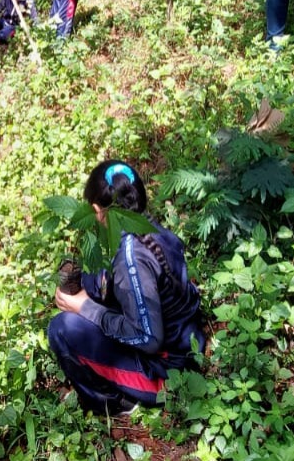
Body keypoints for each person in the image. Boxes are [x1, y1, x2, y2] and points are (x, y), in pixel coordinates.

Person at [47, 161, 207, 414]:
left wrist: (85, 308)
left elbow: (148, 339)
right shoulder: (148, 227)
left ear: (97, 210)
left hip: (168, 372)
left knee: (61, 329)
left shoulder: (131, 260)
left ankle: (114, 402)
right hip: (187, 338)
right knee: (91, 279)